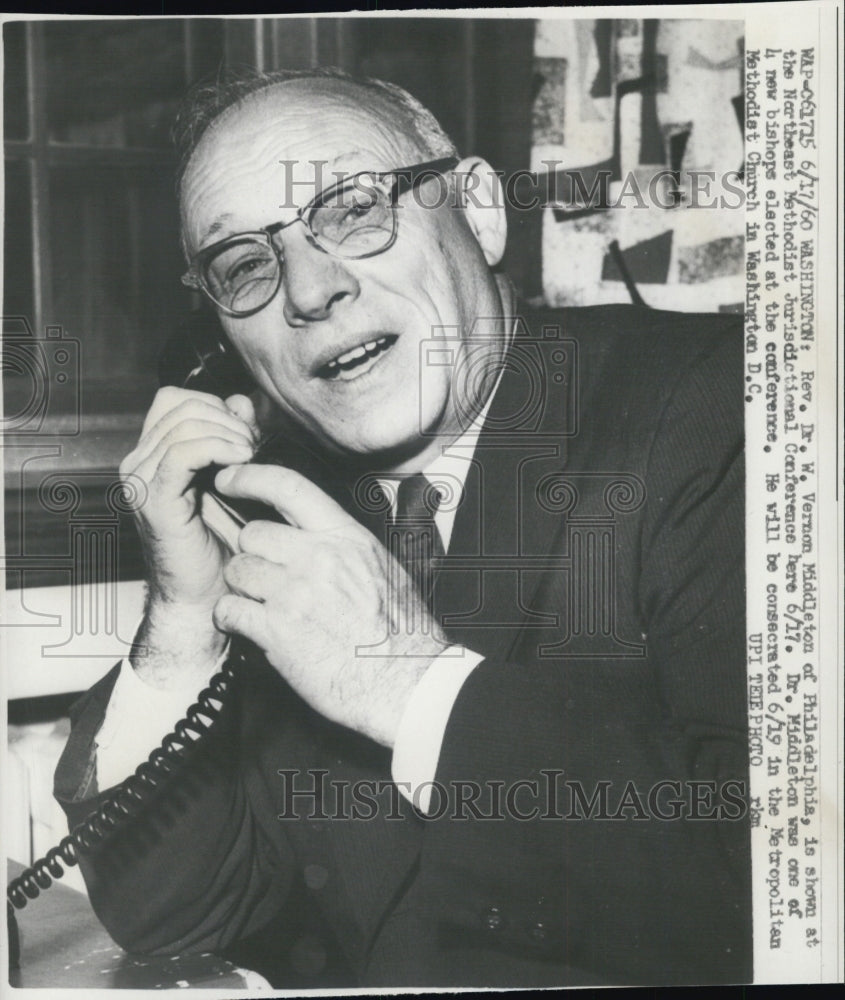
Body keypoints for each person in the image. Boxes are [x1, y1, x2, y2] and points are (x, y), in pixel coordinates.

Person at [54, 67, 751, 988]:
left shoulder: (717, 408)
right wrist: (182, 617)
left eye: (349, 210)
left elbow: (780, 886)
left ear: (478, 210)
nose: (308, 290)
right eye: (244, 265)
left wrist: (411, 689)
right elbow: (172, 912)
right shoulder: (283, 512)